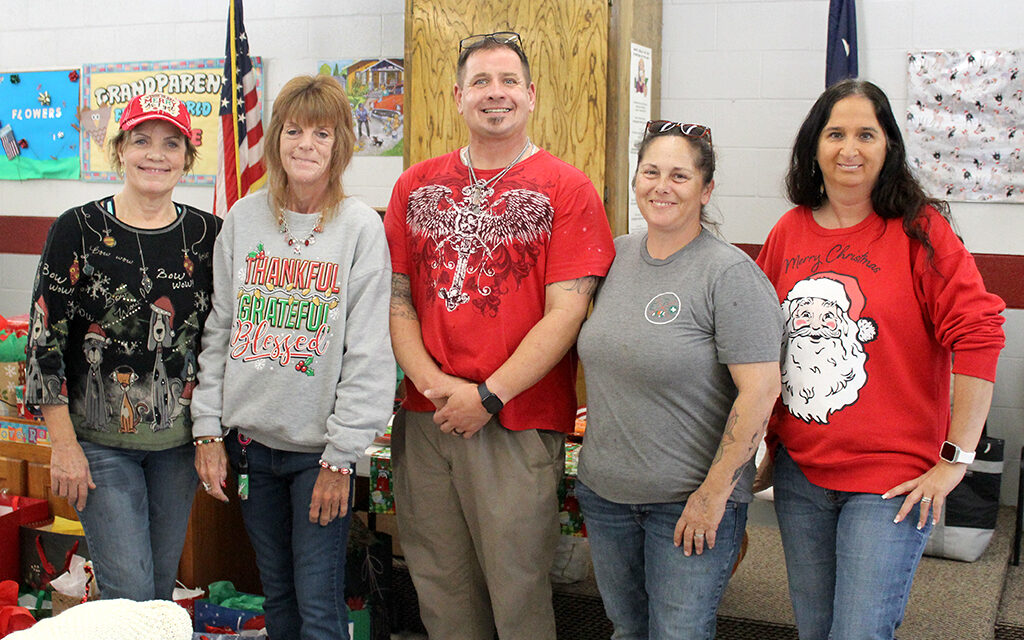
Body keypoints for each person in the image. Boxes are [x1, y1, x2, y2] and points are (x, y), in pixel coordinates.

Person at [384, 30, 615, 640]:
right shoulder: (414, 186)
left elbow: (566, 314)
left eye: (508, 81)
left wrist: (486, 395)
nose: (495, 94)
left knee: (517, 591)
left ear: (531, 95)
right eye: (481, 82)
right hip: (427, 415)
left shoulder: (568, 189)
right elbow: (398, 302)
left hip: (515, 416)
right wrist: (436, 388)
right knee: (438, 584)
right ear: (457, 97)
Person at [756, 78, 1006, 640]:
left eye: (866, 134)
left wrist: (957, 458)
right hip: (803, 475)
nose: (850, 148)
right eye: (835, 133)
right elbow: (764, 348)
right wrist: (768, 442)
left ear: (888, 144)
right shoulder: (788, 231)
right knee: (816, 630)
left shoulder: (922, 230)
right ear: (813, 148)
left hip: (892, 482)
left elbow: (980, 332)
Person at [191, 75, 395, 640]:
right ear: (276, 138)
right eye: (294, 130)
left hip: (317, 457)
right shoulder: (242, 219)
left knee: (319, 606)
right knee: (276, 597)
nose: (306, 144)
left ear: (340, 145)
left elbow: (369, 353)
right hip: (253, 450)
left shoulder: (359, 229)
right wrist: (207, 431)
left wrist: (341, 457)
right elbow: (220, 332)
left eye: (322, 133)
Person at [576, 120, 784, 639]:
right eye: (650, 172)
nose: (661, 186)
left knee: (678, 634)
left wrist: (715, 495)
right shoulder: (615, 256)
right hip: (606, 494)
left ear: (706, 189)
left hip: (688, 500)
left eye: (679, 175)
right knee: (627, 629)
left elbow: (760, 392)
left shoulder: (729, 274)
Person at [24, 93, 220, 600]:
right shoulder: (78, 228)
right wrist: (63, 446)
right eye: (142, 141)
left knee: (156, 594)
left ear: (186, 157)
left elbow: (221, 341)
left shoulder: (208, 235)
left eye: (170, 143)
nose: (156, 154)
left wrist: (213, 435)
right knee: (128, 591)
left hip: (178, 450)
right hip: (97, 446)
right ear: (120, 151)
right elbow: (44, 340)